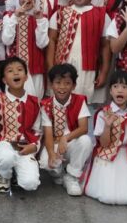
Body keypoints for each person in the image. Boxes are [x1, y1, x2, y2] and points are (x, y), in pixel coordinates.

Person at [84, 71, 127, 205]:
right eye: (115, 86)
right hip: (108, 155)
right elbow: (104, 144)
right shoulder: (103, 113)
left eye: (125, 87)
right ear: (110, 91)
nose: (120, 90)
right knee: (108, 196)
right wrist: (107, 126)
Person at [47, 0, 111, 103]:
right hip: (61, 67)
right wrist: (50, 68)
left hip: (88, 69)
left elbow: (106, 46)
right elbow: (51, 41)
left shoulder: (102, 15)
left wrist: (104, 72)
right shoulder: (59, 14)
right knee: (61, 104)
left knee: (84, 105)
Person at [39, 64, 93, 196]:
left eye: (67, 83)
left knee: (86, 141)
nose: (62, 87)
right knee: (46, 163)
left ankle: (72, 176)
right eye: (58, 83)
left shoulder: (79, 100)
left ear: (74, 85)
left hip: (71, 142)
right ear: (51, 84)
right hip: (54, 143)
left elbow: (84, 128)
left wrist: (65, 138)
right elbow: (48, 134)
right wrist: (51, 153)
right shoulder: (46, 105)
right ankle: (59, 174)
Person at [0, 57, 41, 192]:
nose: (16, 73)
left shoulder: (35, 102)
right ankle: (4, 174)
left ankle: (16, 172)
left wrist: (34, 146)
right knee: (6, 158)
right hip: (3, 143)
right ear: (4, 80)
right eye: (10, 71)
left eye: (20, 70)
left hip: (24, 146)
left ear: (26, 77)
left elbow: (38, 131)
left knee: (30, 184)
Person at [2, 0, 49, 98]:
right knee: (14, 102)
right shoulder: (9, 16)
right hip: (14, 71)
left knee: (35, 102)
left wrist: (39, 20)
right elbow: (7, 41)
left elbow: (42, 44)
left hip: (35, 69)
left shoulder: (41, 18)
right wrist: (15, 17)